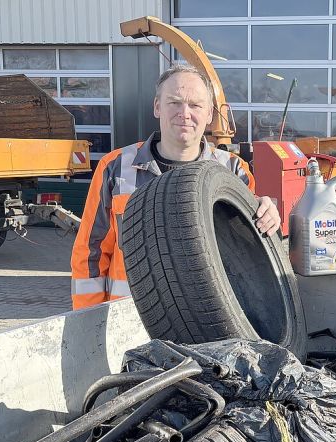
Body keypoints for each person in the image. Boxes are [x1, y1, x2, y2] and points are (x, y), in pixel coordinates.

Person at [71, 65, 280, 309]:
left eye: (195, 105)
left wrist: (268, 214)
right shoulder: (115, 168)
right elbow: (90, 253)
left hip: (209, 318)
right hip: (132, 320)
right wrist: (89, 325)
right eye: (174, 102)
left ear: (210, 114)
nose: (185, 113)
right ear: (157, 107)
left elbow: (251, 254)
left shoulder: (234, 171)